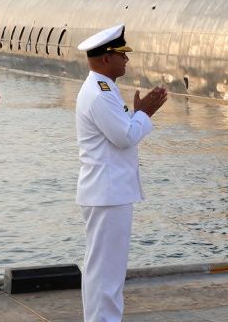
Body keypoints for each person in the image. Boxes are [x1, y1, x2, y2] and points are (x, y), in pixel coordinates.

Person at [75, 24, 168, 322]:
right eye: (121, 55)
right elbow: (125, 137)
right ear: (105, 59)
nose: (126, 60)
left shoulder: (104, 89)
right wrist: (144, 114)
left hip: (107, 190)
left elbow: (119, 131)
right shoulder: (100, 93)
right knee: (107, 273)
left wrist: (135, 115)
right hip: (108, 193)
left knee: (102, 270)